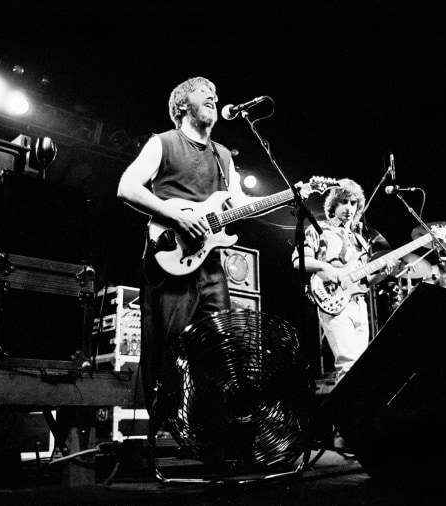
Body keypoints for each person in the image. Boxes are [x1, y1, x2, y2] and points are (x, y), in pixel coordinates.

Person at [116, 76, 308, 426]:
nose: (214, 98)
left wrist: (289, 195)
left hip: (210, 263)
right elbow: (127, 187)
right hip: (171, 254)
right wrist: (175, 214)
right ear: (182, 104)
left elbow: (239, 204)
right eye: (205, 93)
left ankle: (210, 427)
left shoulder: (222, 155)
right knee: (175, 347)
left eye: (215, 95)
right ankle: (170, 424)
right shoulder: (164, 143)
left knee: (220, 346)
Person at [292, 178, 392, 384]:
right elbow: (298, 260)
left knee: (361, 368)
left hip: (358, 304)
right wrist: (326, 267)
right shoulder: (319, 229)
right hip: (333, 301)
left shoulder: (361, 241)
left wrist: (382, 274)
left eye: (353, 203)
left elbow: (363, 281)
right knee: (348, 365)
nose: (349, 208)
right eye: (344, 202)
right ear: (334, 204)